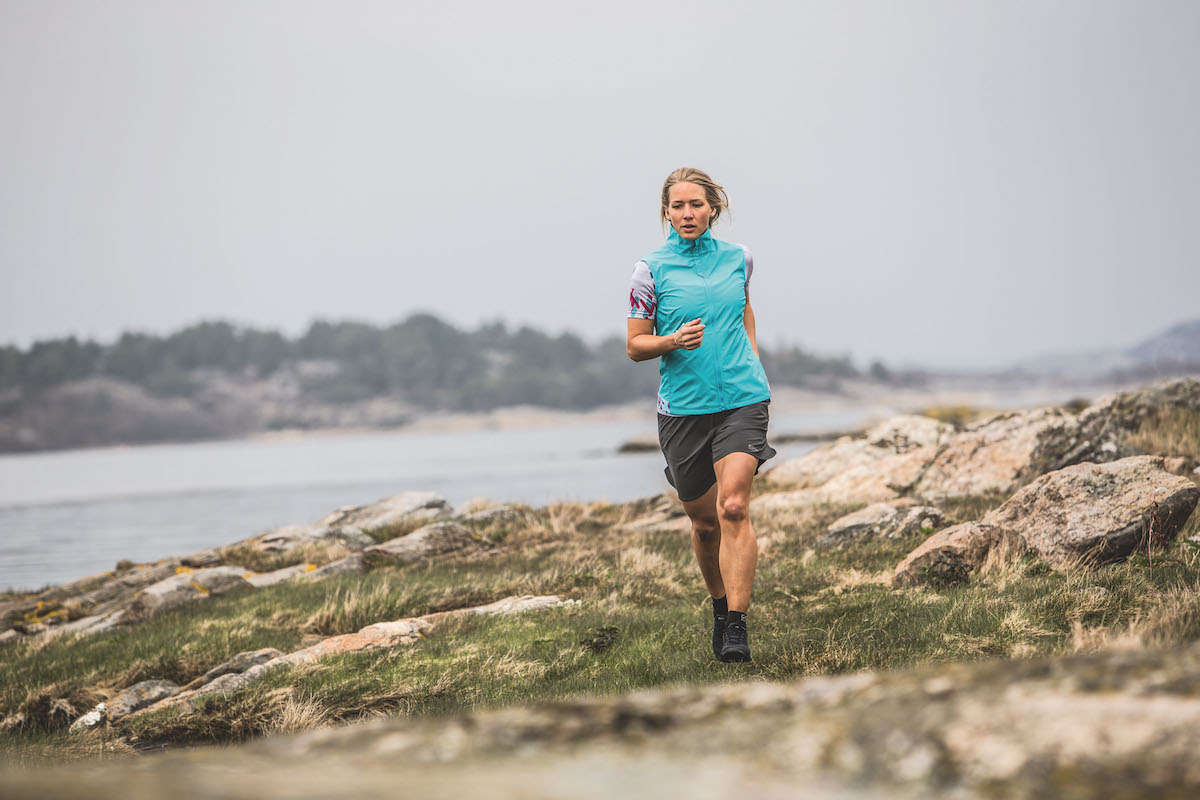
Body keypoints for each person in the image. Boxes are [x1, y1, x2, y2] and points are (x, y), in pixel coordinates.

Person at [626, 167, 776, 663]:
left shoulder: (740, 259)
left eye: (696, 204)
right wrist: (671, 341)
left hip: (742, 397)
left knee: (733, 507)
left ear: (714, 207)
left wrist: (751, 355)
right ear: (666, 212)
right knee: (705, 523)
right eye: (677, 206)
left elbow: (744, 309)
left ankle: (736, 626)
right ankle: (717, 605)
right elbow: (634, 345)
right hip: (684, 409)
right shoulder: (649, 270)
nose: (687, 214)